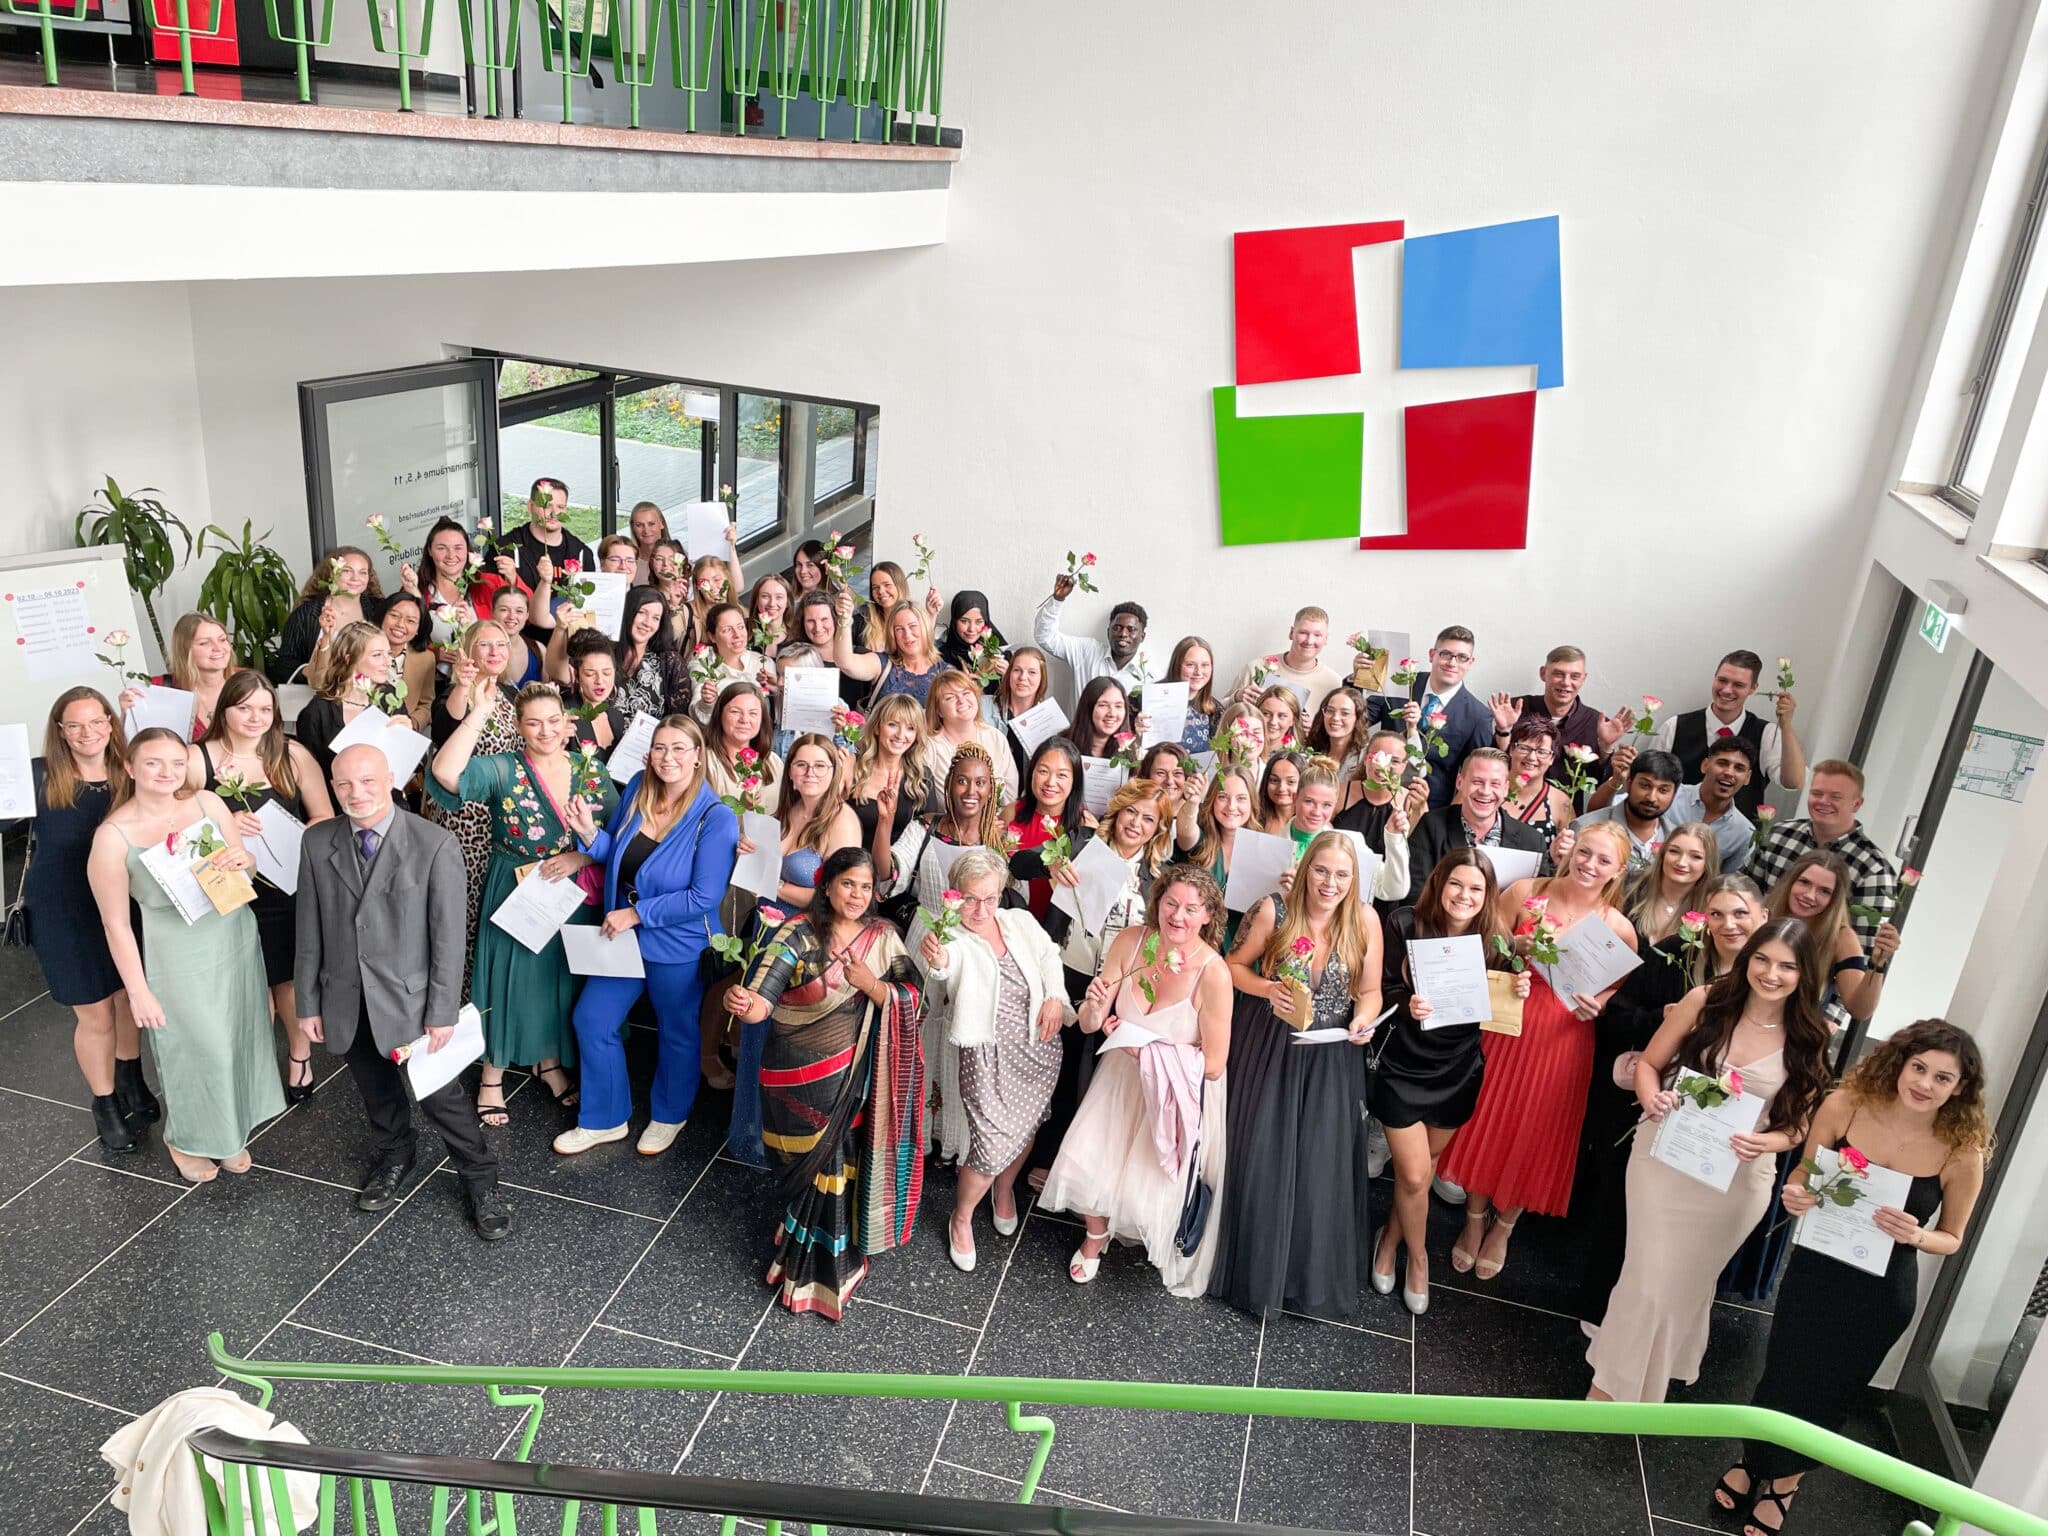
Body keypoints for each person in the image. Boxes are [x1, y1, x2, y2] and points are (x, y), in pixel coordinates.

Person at [1714, 1019, 1988, 1536]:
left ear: (1960, 1089)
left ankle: (1786, 1482)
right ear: (1900, 1062)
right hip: (1817, 1270)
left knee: (1832, 1392)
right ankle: (1753, 1460)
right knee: (1784, 1372)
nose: (1925, 1084)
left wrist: (1917, 1235)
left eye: (1942, 1078)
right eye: (1919, 1068)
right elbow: (1804, 1173)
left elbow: (1952, 1237)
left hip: (1881, 1294)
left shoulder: (1961, 1151)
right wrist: (1796, 1193)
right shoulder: (1846, 1105)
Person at [1587, 919, 1833, 1403]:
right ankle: (1607, 1389)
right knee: (1646, 1278)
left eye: (1787, 966)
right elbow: (1650, 1065)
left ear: (1804, 974)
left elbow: (1798, 1127)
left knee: (1686, 1284)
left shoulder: (1811, 1034)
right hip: (1664, 1156)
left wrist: (1766, 1142)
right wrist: (1652, 1098)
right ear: (1748, 959)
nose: (1771, 974)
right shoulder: (1706, 1000)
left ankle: (1650, 1377)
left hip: (1737, 1181)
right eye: (1762, 959)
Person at [294, 744, 509, 1237]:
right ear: (332, 787)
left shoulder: (433, 843)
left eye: (368, 780)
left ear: (390, 777)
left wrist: (442, 1010)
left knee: (441, 1098)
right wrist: (308, 1002)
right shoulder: (317, 841)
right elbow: (309, 929)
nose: (357, 793)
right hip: (346, 996)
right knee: (375, 1090)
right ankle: (395, 1155)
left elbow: (448, 937)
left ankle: (480, 1178)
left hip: (412, 1002)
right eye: (345, 784)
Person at [725, 848, 925, 1320]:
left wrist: (870, 985)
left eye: (865, 887)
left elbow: (915, 1003)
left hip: (855, 1080)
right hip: (796, 1080)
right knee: (811, 1169)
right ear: (827, 885)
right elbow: (762, 999)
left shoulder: (884, 938)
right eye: (847, 884)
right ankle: (803, 1256)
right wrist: (743, 1004)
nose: (856, 895)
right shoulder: (797, 932)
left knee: (838, 1167)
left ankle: (829, 1267)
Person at [1436, 820, 1638, 1278]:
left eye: (1603, 860)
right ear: (1570, 850)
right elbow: (1484, 943)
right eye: (1584, 852)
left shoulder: (1618, 928)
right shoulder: (1527, 891)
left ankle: (1505, 1225)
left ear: (1618, 870)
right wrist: (1517, 947)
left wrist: (1602, 1003)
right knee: (1489, 1118)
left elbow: (1621, 989)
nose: (1589, 864)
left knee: (1536, 1129)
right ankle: (1473, 1217)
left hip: (1563, 1040)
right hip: (1508, 1023)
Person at [86, 728, 282, 1183]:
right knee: (196, 1048)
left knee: (237, 1037)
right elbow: (116, 925)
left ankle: (228, 1132)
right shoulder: (113, 837)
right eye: (153, 763)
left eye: (176, 763)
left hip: (232, 935)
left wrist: (244, 861)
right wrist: (138, 992)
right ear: (130, 768)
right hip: (176, 954)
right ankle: (187, 1137)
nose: (167, 772)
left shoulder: (207, 803)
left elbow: (245, 862)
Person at [1574, 874, 1764, 1327]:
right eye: (1716, 914)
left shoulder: (1773, 976)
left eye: (1740, 913)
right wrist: (1661, 1018)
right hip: (1650, 1105)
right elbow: (1617, 1016)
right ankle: (1601, 1307)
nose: (1729, 924)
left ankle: (1658, 1322)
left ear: (1764, 915)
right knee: (1624, 1211)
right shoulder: (1676, 956)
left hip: (1723, 1127)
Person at [1209, 832, 1384, 1320]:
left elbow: (1370, 991)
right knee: (1264, 1152)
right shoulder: (1274, 910)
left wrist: (1363, 1019)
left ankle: (1300, 1275)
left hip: (1331, 1056)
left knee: (1317, 1160)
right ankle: (1255, 1270)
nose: (1330, 883)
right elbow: (1231, 966)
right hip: (1272, 1045)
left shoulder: (1365, 920)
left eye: (1342, 875)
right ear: (1307, 869)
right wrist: (1268, 989)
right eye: (1322, 871)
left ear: (1355, 880)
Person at [428, 678, 617, 1126]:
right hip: (515, 886)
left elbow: (617, 829)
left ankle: (547, 1060)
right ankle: (492, 1075)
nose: (545, 731)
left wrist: (580, 855)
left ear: (567, 723)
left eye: (553, 721)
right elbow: (446, 774)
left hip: (571, 890)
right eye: (533, 723)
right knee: (507, 981)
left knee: (555, 981)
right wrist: (479, 711)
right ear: (518, 726)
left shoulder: (588, 767)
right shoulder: (503, 768)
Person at [1040, 866, 1233, 1294]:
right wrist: (1093, 1006)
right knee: (1086, 1164)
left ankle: (1133, 1232)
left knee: (1142, 1190)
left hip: (1170, 1096)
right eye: (1170, 903)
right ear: (1157, 902)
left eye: (1191, 909)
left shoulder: (1214, 973)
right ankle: (1095, 1235)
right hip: (1119, 1080)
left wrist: (1145, 1053)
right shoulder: (1131, 941)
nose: (1177, 916)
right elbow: (1090, 1025)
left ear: (1208, 915)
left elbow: (1215, 1064)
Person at [556, 716, 740, 1157]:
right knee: (592, 1019)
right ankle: (605, 1119)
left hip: (676, 944)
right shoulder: (639, 787)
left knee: (677, 1031)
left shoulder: (716, 818)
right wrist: (588, 833)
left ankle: (669, 1116)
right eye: (660, 747)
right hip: (622, 935)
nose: (667, 757)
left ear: (698, 756)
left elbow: (703, 896)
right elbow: (620, 854)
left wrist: (638, 913)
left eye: (678, 748)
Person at [1373, 851, 1531, 1313]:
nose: (1464, 895)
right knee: (1414, 1174)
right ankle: (1419, 1259)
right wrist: (1406, 1003)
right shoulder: (1404, 922)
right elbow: (1381, 986)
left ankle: (1389, 1238)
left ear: (1488, 895)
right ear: (1439, 883)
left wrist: (1518, 987)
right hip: (1403, 1067)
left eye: (1476, 888)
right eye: (1456, 884)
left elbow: (1501, 999)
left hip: (1457, 1070)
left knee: (1419, 1174)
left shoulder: (1496, 940)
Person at [917, 845, 1070, 1271]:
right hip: (987, 1057)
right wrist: (937, 958)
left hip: (1037, 1046)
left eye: (990, 898)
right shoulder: (951, 936)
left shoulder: (1018, 921)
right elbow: (945, 968)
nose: (981, 910)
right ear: (953, 896)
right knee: (987, 1145)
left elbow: (1049, 957)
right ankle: (961, 1217)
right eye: (970, 899)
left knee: (1027, 1127)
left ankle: (1005, 1189)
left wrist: (1055, 998)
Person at [193, 670, 336, 1103]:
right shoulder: (197, 759)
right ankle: (251, 1067)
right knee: (243, 983)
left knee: (287, 981)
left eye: (265, 709)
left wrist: (289, 836)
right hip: (227, 888)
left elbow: (324, 817)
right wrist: (224, 824)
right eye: (244, 708)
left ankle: (299, 1055)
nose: (256, 718)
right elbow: (173, 823)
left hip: (283, 886)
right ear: (224, 710)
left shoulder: (291, 754)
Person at [26, 688, 155, 1151]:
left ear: (111, 723)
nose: (88, 733)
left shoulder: (128, 772)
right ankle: (104, 1102)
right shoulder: (40, 775)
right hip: (64, 909)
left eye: (97, 721)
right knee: (95, 1010)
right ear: (60, 731)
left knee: (126, 997)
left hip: (122, 903)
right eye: (75, 725)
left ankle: (130, 1076)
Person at [426, 620, 524, 997]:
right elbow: (444, 729)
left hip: (503, 819)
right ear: (469, 651)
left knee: (492, 911)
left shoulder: (512, 694)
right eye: (485, 645)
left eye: (501, 644)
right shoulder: (459, 694)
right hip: (466, 820)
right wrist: (463, 685)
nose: (495, 651)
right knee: (462, 912)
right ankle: (457, 1001)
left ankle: (488, 998)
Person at [1745, 760, 1898, 950]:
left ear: (1857, 804)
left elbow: (1864, 950)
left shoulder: (1874, 869)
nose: (1823, 801)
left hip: (1817, 963)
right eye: (1817, 793)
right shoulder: (1779, 834)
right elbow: (1746, 895)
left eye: (1835, 797)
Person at [1649, 649, 1808, 821]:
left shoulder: (1766, 734)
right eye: (1722, 680)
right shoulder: (1674, 726)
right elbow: (1649, 781)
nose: (1726, 690)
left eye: (1738, 685)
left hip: (1736, 835)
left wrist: (1786, 726)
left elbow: (1794, 782)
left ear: (1753, 688)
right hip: (1675, 828)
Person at [1764, 848, 1900, 1024]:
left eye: (1824, 891)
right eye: (1804, 882)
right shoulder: (1762, 916)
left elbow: (1860, 1010)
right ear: (1790, 881)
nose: (1810, 895)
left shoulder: (1841, 937)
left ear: (1835, 899)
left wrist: (1878, 964)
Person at [1397, 748, 1548, 904]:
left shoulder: (1532, 842)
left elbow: (1538, 904)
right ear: (1460, 782)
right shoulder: (1432, 826)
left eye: (1495, 784)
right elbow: (1415, 896)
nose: (1485, 791)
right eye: (1477, 782)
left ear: (1506, 788)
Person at [1366, 626, 1493, 808]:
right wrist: (1358, 678)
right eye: (1446, 654)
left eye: (1462, 657)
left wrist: (1448, 818)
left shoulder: (1478, 716)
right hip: (1377, 797)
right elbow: (1360, 720)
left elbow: (1476, 774)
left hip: (1431, 809)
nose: (1452, 663)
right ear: (1432, 654)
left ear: (1470, 662)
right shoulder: (1400, 684)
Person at [1487, 645, 1622, 791]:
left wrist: (1605, 748)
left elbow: (1599, 785)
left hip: (1566, 805)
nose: (1566, 682)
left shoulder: (1596, 723)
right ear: (1543, 673)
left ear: (1583, 679)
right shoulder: (1515, 710)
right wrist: (1504, 731)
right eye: (1558, 674)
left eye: (1574, 676)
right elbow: (1492, 767)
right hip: (1512, 799)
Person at [293, 620, 402, 783]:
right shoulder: (317, 712)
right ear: (349, 659)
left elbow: (405, 764)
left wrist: (405, 736)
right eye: (377, 655)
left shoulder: (389, 698)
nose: (388, 662)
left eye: (388, 653)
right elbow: (307, 775)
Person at [269, 545, 387, 685]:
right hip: (320, 695)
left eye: (363, 572)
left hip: (369, 693)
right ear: (332, 573)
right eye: (347, 571)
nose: (356, 578)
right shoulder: (307, 613)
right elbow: (283, 664)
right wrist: (313, 673)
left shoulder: (379, 609)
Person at [769, 734, 860, 910]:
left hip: (806, 925)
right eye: (801, 764)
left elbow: (837, 896)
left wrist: (774, 886)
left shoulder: (843, 822)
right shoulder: (789, 809)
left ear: (834, 772)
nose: (810, 773)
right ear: (790, 771)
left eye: (820, 766)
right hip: (764, 918)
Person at [1032, 565, 1155, 694]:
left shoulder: (1150, 675)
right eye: (1117, 628)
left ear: (1142, 636)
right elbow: (1045, 637)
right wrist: (1057, 600)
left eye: (1131, 629)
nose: (1123, 634)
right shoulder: (1087, 652)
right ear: (1108, 632)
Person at [1655, 734, 1758, 869]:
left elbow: (1727, 879)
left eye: (1739, 768)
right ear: (1705, 765)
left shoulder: (1744, 833)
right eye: (1722, 763)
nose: (1729, 773)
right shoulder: (1670, 795)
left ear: (1747, 777)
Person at [1575, 748, 1684, 871]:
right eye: (1645, 785)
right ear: (1629, 784)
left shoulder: (1677, 839)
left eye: (1663, 790)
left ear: (1674, 795)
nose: (1651, 797)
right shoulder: (1585, 827)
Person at [847, 694, 930, 854]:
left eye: (910, 728)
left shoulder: (923, 777)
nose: (900, 735)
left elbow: (927, 838)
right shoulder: (853, 765)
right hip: (851, 862)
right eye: (892, 725)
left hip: (901, 866)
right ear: (877, 727)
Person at [921, 669, 1019, 801]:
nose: (961, 700)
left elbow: (1010, 795)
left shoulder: (995, 737)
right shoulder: (929, 748)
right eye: (950, 697)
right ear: (938, 710)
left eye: (966, 693)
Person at [833, 592, 945, 706]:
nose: (907, 634)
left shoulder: (944, 672)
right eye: (899, 629)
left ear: (925, 627)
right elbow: (845, 663)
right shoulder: (884, 664)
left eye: (913, 626)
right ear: (892, 634)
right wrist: (845, 620)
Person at [1226, 607, 1345, 714]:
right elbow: (1220, 712)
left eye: (1317, 635)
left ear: (1326, 639)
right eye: (1303, 633)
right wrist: (1236, 698)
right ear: (1291, 633)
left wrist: (1314, 728)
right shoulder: (1256, 668)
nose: (1309, 641)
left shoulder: (1334, 683)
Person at [1621, 822, 1719, 946]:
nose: (1681, 862)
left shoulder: (1712, 909)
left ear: (1708, 864)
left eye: (1695, 857)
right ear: (1663, 854)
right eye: (1674, 851)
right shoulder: (1629, 887)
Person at [603, 586, 689, 722]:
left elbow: (679, 721)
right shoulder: (603, 655)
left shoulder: (670, 662)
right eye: (642, 613)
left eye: (656, 618)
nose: (647, 623)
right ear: (628, 612)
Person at [1498, 716, 1576, 848]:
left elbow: (1568, 853)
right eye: (1524, 748)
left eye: (1541, 752)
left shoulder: (1560, 801)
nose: (1531, 757)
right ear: (1511, 749)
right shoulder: (1490, 788)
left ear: (1551, 758)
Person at [508, 477, 594, 595]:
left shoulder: (582, 553)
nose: (554, 513)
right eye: (547, 506)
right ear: (531, 506)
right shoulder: (506, 549)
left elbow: (588, 600)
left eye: (560, 507)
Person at [982, 643, 1053, 783]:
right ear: (1008, 674)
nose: (1023, 677)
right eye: (1017, 670)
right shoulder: (982, 706)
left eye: (1032, 672)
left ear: (1042, 678)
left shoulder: (1050, 719)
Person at [690, 603, 769, 723]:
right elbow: (698, 716)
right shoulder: (701, 665)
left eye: (740, 627)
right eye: (727, 630)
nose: (737, 635)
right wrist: (707, 703)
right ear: (712, 636)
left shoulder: (763, 663)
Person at [377, 593, 437, 733]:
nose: (400, 624)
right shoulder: (361, 648)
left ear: (418, 629)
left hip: (402, 734)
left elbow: (426, 704)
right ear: (382, 616)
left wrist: (412, 723)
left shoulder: (426, 659)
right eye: (394, 616)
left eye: (410, 621)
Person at [937, 589, 1007, 689]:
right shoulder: (941, 658)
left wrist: (1008, 675)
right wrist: (962, 684)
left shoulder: (999, 655)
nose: (971, 629)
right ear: (954, 622)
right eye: (964, 621)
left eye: (978, 621)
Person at [1059, 675, 1136, 763]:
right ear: (1088, 708)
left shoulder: (1131, 752)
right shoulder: (1061, 748)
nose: (1112, 714)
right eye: (1103, 705)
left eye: (1118, 706)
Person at [1164, 635, 1222, 753]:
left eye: (1205, 665)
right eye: (1190, 665)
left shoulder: (1216, 710)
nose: (1198, 672)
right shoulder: (1149, 699)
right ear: (1177, 666)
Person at [1305, 684, 1368, 781]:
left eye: (1345, 713)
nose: (1335, 718)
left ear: (1358, 718)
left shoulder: (1365, 758)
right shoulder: (1309, 750)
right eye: (1330, 711)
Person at [1255, 751, 1302, 838]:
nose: (1281, 788)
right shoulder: (1254, 821)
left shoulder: (1312, 822)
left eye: (1291, 781)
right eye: (1274, 780)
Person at [1255, 685, 1306, 758]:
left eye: (1281, 716)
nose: (1273, 722)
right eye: (1266, 714)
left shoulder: (1301, 758)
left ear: (1293, 720)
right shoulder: (1241, 749)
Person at [627, 500, 670, 585]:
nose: (646, 530)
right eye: (639, 525)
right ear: (633, 528)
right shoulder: (627, 563)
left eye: (651, 524)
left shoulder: (679, 557)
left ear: (662, 524)